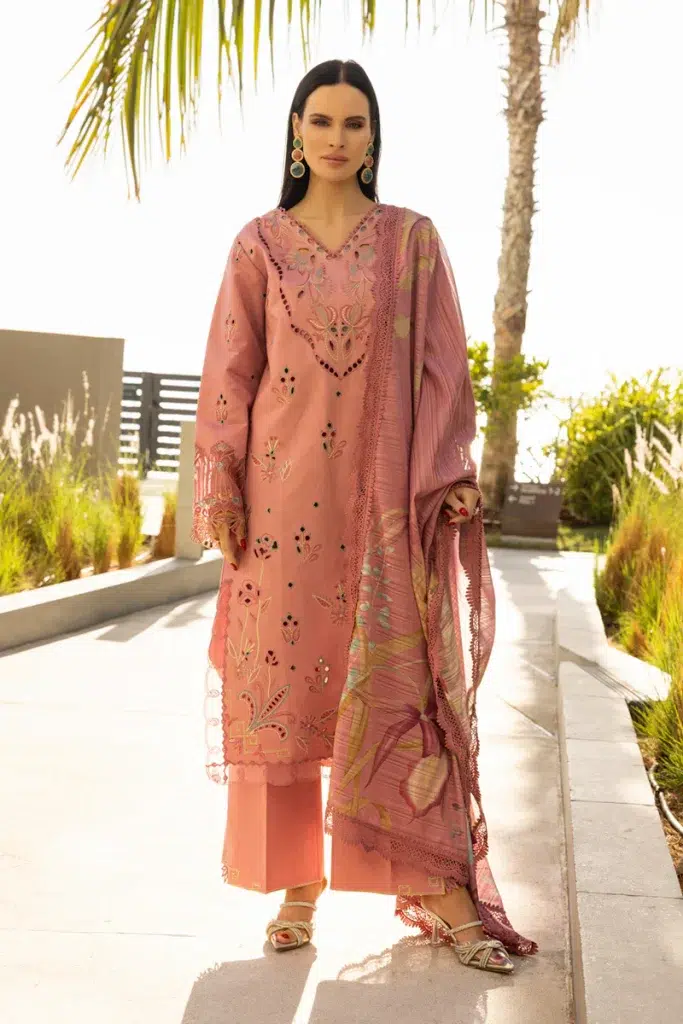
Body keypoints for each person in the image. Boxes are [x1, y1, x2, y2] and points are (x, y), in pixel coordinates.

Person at [192, 58, 536, 973]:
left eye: (353, 123)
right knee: (286, 692)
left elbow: (444, 366)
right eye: (321, 121)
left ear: (373, 136)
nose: (336, 138)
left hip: (384, 505)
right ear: (295, 134)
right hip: (278, 505)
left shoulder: (410, 241)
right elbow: (230, 371)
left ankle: (439, 889)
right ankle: (295, 885)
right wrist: (219, 482)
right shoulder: (259, 245)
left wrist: (448, 471)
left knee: (396, 686)